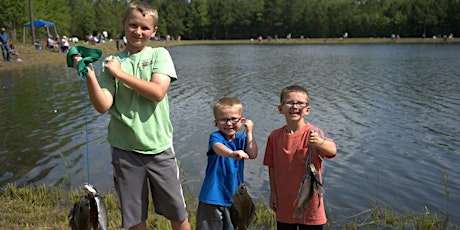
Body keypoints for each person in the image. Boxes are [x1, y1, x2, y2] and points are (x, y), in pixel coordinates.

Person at [71, 2, 190, 230]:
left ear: (154, 31)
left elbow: (157, 92)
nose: (138, 31)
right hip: (124, 150)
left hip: (159, 148)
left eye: (145, 28)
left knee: (178, 213)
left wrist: (121, 74)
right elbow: (103, 105)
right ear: (123, 25)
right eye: (133, 25)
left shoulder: (159, 54)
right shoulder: (112, 62)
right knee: (134, 218)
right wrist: (90, 75)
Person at [263, 85, 337, 230]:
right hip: (284, 204)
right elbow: (271, 166)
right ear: (280, 109)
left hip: (311, 208)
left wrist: (320, 143)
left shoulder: (314, 133)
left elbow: (332, 151)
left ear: (307, 110)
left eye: (300, 103)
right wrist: (273, 193)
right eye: (289, 102)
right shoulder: (274, 137)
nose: (295, 106)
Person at [196, 97, 258, 230]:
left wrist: (249, 132)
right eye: (223, 119)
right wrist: (232, 154)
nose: (229, 123)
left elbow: (253, 154)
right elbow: (219, 148)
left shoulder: (242, 139)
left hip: (235, 200)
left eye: (234, 119)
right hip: (212, 197)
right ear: (216, 122)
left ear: (242, 121)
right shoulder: (216, 137)